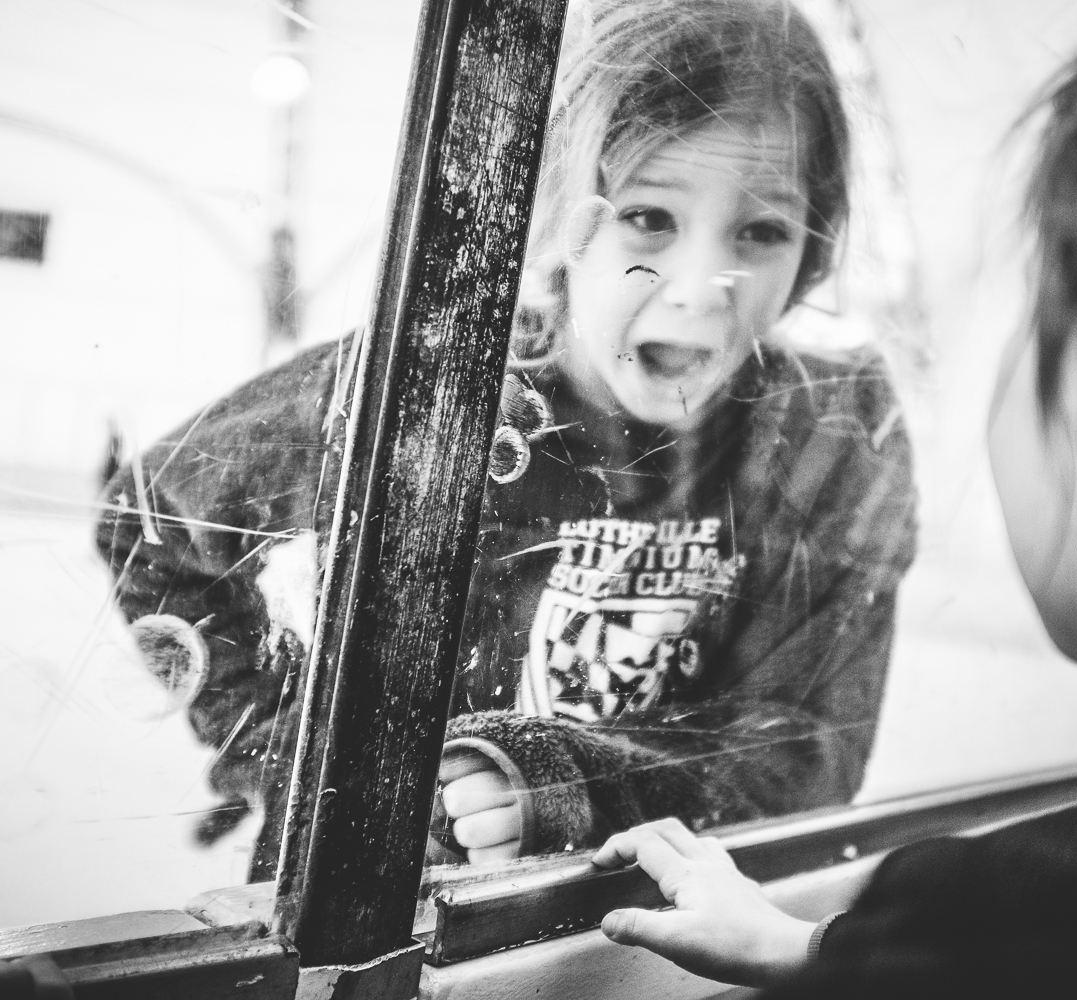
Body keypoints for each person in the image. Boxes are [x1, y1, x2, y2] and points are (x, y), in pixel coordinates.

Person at [590, 0, 1077, 995]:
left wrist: (894, 946)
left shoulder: (1017, 921)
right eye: (645, 215)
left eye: (1027, 314)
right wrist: (823, 950)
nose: (698, 287)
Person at [94, 0, 917, 880]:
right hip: (378, 927)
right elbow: (148, 519)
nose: (699, 289)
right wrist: (304, 757)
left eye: (761, 231)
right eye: (648, 216)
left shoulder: (824, 437)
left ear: (814, 250)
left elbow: (803, 750)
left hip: (656, 951)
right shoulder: (427, 384)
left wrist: (563, 782)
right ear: (565, 211)